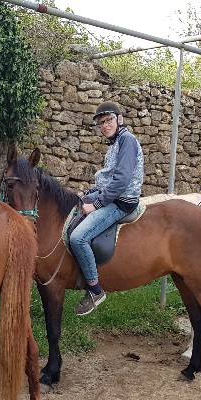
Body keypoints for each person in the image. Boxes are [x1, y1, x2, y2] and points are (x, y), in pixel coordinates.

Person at [70, 101, 143, 316]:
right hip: (109, 195)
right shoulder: (115, 144)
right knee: (73, 205)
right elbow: (107, 180)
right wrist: (87, 193)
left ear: (119, 120)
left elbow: (120, 182)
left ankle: (95, 290)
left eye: (108, 120)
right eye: (101, 122)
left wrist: (96, 204)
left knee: (78, 238)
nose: (104, 125)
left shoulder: (127, 141)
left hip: (122, 201)